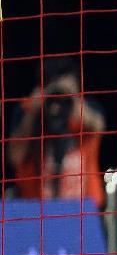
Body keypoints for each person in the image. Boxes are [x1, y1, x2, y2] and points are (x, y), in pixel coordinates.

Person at [8, 57, 106, 208]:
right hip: (35, 209)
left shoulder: (86, 110)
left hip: (84, 209)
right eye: (54, 92)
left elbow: (98, 125)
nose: (58, 101)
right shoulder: (26, 111)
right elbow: (15, 157)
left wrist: (71, 98)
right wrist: (32, 113)